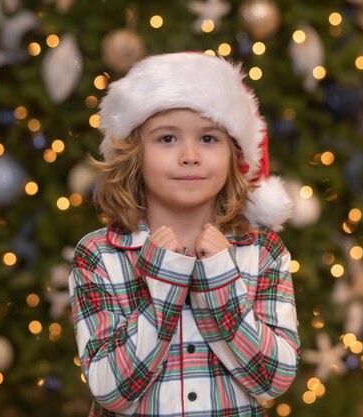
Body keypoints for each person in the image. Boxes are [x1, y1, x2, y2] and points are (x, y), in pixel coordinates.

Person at [69, 52, 300, 417]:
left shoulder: (264, 251)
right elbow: (110, 390)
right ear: (134, 154)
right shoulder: (99, 255)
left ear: (233, 155)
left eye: (208, 138)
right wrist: (163, 286)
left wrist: (222, 280)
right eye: (167, 139)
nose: (190, 155)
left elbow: (272, 380)